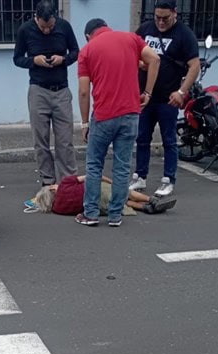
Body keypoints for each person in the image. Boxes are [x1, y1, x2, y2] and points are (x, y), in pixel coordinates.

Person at [76, 18, 160, 227]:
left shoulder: (87, 50)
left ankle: (91, 213)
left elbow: (84, 91)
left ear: (88, 35)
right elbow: (154, 59)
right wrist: (147, 92)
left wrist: (85, 123)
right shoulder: (131, 39)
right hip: (131, 113)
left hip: (104, 115)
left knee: (94, 165)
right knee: (122, 167)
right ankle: (115, 215)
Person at [129, 0, 200, 196]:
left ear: (175, 13)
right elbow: (130, 52)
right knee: (142, 138)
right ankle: (140, 176)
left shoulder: (184, 35)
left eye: (165, 18)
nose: (160, 22)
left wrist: (181, 92)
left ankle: (168, 179)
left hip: (168, 97)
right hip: (145, 96)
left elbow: (195, 66)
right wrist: (140, 63)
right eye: (157, 18)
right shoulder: (144, 29)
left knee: (169, 140)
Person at [13, 0, 79, 187]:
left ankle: (68, 182)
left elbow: (76, 52)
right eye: (43, 27)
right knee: (40, 140)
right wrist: (34, 60)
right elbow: (17, 59)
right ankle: (48, 182)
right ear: (36, 18)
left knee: (65, 141)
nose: (47, 31)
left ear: (55, 18)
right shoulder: (25, 30)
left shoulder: (64, 27)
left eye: (50, 26)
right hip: (38, 90)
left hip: (61, 90)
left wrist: (63, 59)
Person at [32, 175, 176, 215]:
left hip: (96, 206)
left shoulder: (58, 209)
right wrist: (113, 182)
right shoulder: (64, 184)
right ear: (51, 188)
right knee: (125, 193)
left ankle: (144, 208)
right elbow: (92, 176)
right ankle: (151, 200)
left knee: (121, 202)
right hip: (95, 191)